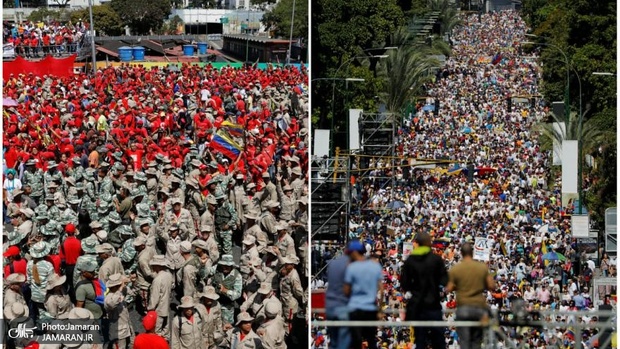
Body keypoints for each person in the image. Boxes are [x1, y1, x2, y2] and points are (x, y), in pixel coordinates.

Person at [400, 232, 448, 349]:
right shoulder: (436, 260)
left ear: (417, 244)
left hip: (417, 306)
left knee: (420, 341)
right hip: (433, 306)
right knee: (438, 341)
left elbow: (404, 284)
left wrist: (415, 289)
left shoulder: (410, 261)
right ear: (428, 244)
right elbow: (445, 281)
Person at [445, 242, 495, 349]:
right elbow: (492, 286)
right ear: (472, 253)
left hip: (463, 308)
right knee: (476, 341)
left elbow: (448, 288)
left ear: (461, 253)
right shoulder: (481, 267)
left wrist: (459, 285)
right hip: (479, 308)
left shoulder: (456, 269)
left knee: (464, 341)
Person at [343, 239, 383, 349]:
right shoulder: (374, 266)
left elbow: (346, 291)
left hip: (355, 310)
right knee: (371, 339)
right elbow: (382, 289)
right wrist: (379, 310)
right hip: (370, 309)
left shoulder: (351, 267)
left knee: (355, 341)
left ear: (355, 252)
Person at [324, 241, 357, 349]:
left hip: (330, 306)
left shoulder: (333, 263)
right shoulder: (350, 265)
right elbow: (348, 289)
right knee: (343, 342)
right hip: (343, 307)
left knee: (334, 341)